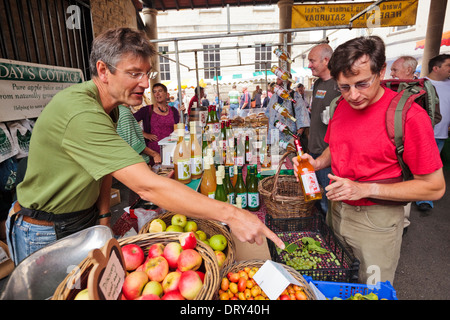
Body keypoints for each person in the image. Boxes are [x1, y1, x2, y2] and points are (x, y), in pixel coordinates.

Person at [5, 27, 284, 265]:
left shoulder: (108, 106)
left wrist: (103, 217)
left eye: (147, 74)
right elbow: (147, 186)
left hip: (83, 220)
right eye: (134, 73)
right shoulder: (82, 112)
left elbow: (104, 168)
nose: (144, 84)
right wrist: (233, 214)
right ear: (103, 70)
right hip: (46, 231)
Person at [293, 36, 445, 284]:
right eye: (344, 86)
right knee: (339, 281)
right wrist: (318, 162)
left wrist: (363, 188)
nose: (353, 95)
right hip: (337, 211)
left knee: (371, 289)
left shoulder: (408, 116)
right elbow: (337, 145)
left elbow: (435, 187)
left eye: (362, 84)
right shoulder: (340, 105)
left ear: (381, 70)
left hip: (377, 221)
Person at [307, 43, 341, 215]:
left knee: (328, 200)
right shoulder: (317, 84)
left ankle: (329, 235)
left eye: (312, 61)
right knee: (316, 197)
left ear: (326, 60)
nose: (309, 65)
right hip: (313, 149)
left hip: (328, 153)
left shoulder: (340, 84)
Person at [415, 54, 450, 212]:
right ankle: (422, 199)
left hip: (441, 134)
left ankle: (424, 197)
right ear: (436, 68)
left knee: (432, 168)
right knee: (422, 167)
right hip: (423, 134)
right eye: (448, 65)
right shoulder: (421, 85)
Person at [133, 83, 179, 166]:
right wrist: (144, 134)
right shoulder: (146, 110)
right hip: (153, 154)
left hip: (170, 151)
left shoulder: (174, 111)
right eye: (154, 92)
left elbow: (177, 130)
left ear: (166, 94)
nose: (157, 94)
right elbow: (130, 121)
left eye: (160, 91)